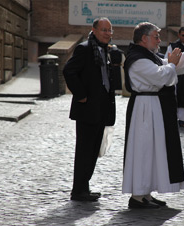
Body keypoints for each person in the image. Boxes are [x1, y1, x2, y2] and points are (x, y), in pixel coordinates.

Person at [122, 22, 184, 209]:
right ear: (144, 38)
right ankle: (137, 196)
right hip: (144, 108)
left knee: (152, 151)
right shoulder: (138, 59)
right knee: (143, 150)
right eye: (156, 36)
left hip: (153, 106)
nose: (159, 40)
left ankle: (146, 193)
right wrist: (173, 64)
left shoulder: (149, 56)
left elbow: (167, 65)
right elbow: (160, 76)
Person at [63, 17, 116, 202]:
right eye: (104, 30)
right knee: (84, 151)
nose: (108, 34)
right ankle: (78, 191)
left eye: (110, 30)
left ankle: (84, 187)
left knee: (93, 151)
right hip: (87, 109)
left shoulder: (107, 50)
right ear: (93, 30)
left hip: (101, 109)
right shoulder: (84, 49)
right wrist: (81, 95)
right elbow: (69, 71)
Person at [164, 27, 184, 128]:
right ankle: (174, 118)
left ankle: (183, 120)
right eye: (183, 35)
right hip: (176, 75)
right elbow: (167, 59)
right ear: (179, 35)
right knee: (175, 97)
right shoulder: (173, 46)